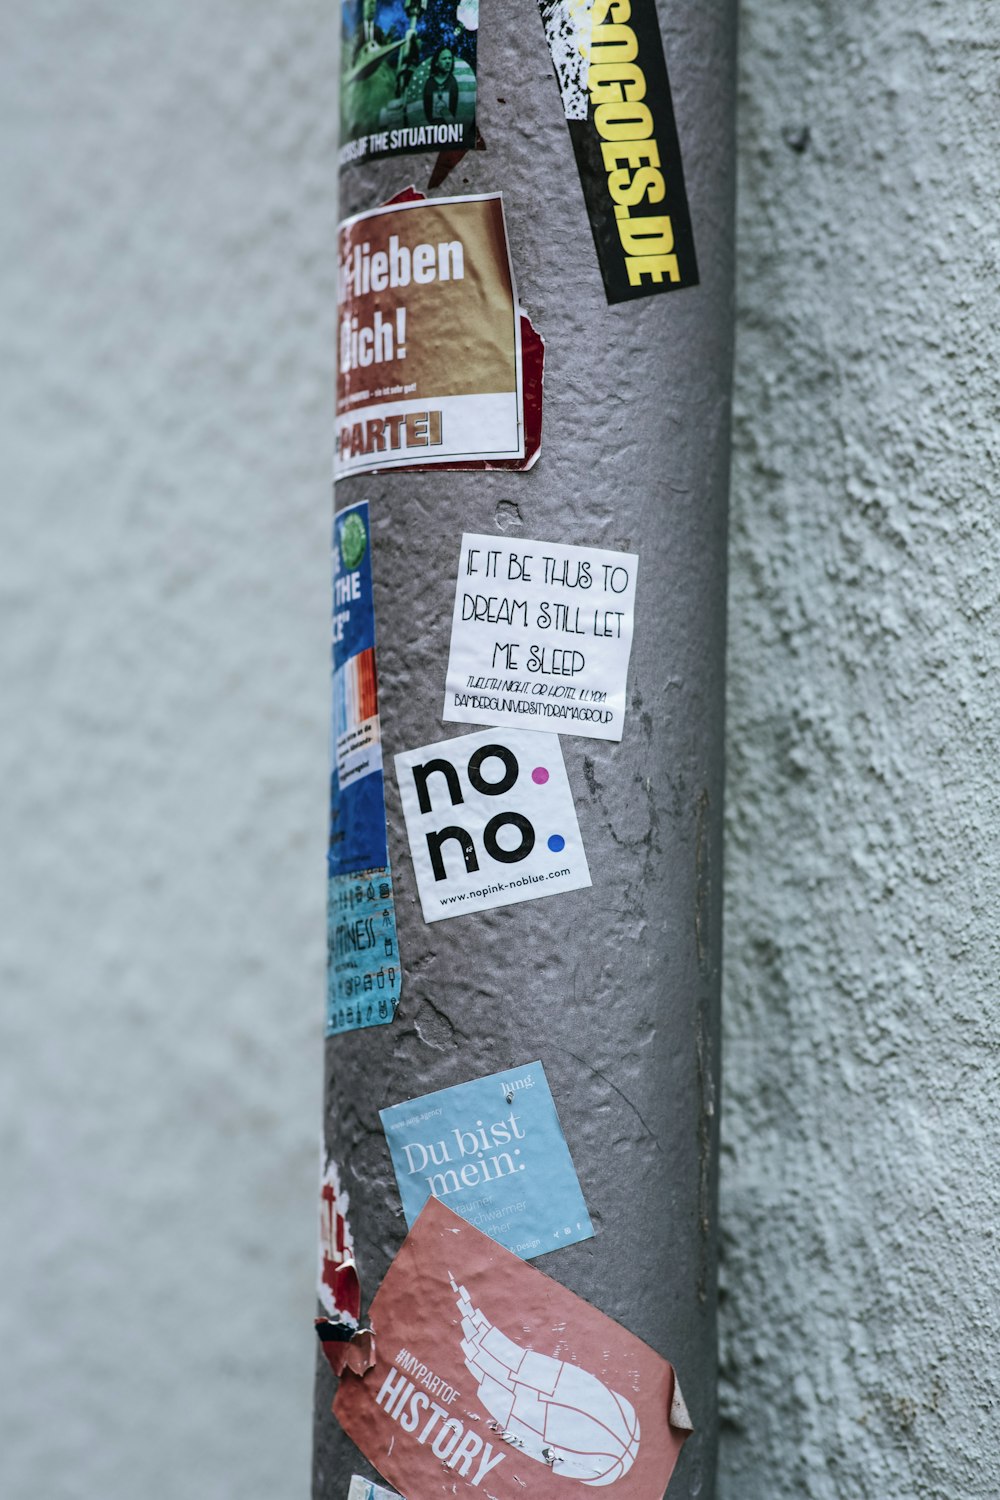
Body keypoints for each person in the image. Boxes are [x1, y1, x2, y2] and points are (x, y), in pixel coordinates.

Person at [423, 46, 459, 122]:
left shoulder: (453, 82)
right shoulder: (429, 83)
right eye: (444, 58)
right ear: (436, 63)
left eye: (450, 58)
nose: (448, 61)